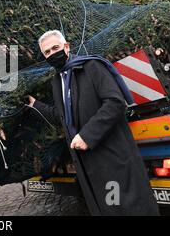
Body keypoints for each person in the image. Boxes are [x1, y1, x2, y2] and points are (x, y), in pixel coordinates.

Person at [27, 30, 160, 216]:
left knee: (129, 207)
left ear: (67, 47)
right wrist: (35, 105)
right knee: (108, 209)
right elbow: (62, 116)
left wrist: (86, 136)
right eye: (47, 52)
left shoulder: (91, 67)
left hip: (113, 158)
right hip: (88, 163)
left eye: (55, 48)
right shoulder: (58, 81)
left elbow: (115, 102)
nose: (52, 53)